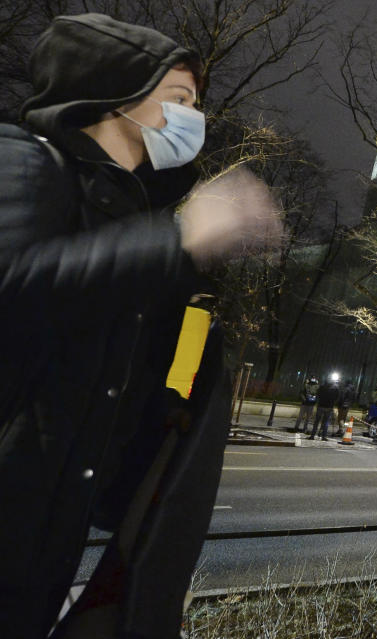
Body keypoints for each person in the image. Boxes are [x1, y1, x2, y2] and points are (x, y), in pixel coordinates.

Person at [0, 13, 281, 637]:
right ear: (109, 95)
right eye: (177, 100)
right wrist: (177, 241)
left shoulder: (133, 210)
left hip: (46, 525)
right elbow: (13, 284)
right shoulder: (24, 161)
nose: (192, 120)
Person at [310, 375, 340, 441]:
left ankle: (312, 435)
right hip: (329, 407)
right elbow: (337, 397)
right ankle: (324, 436)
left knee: (317, 421)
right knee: (326, 422)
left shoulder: (322, 386)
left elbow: (317, 395)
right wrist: (333, 403)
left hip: (321, 406)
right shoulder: (335, 388)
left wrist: (318, 403)